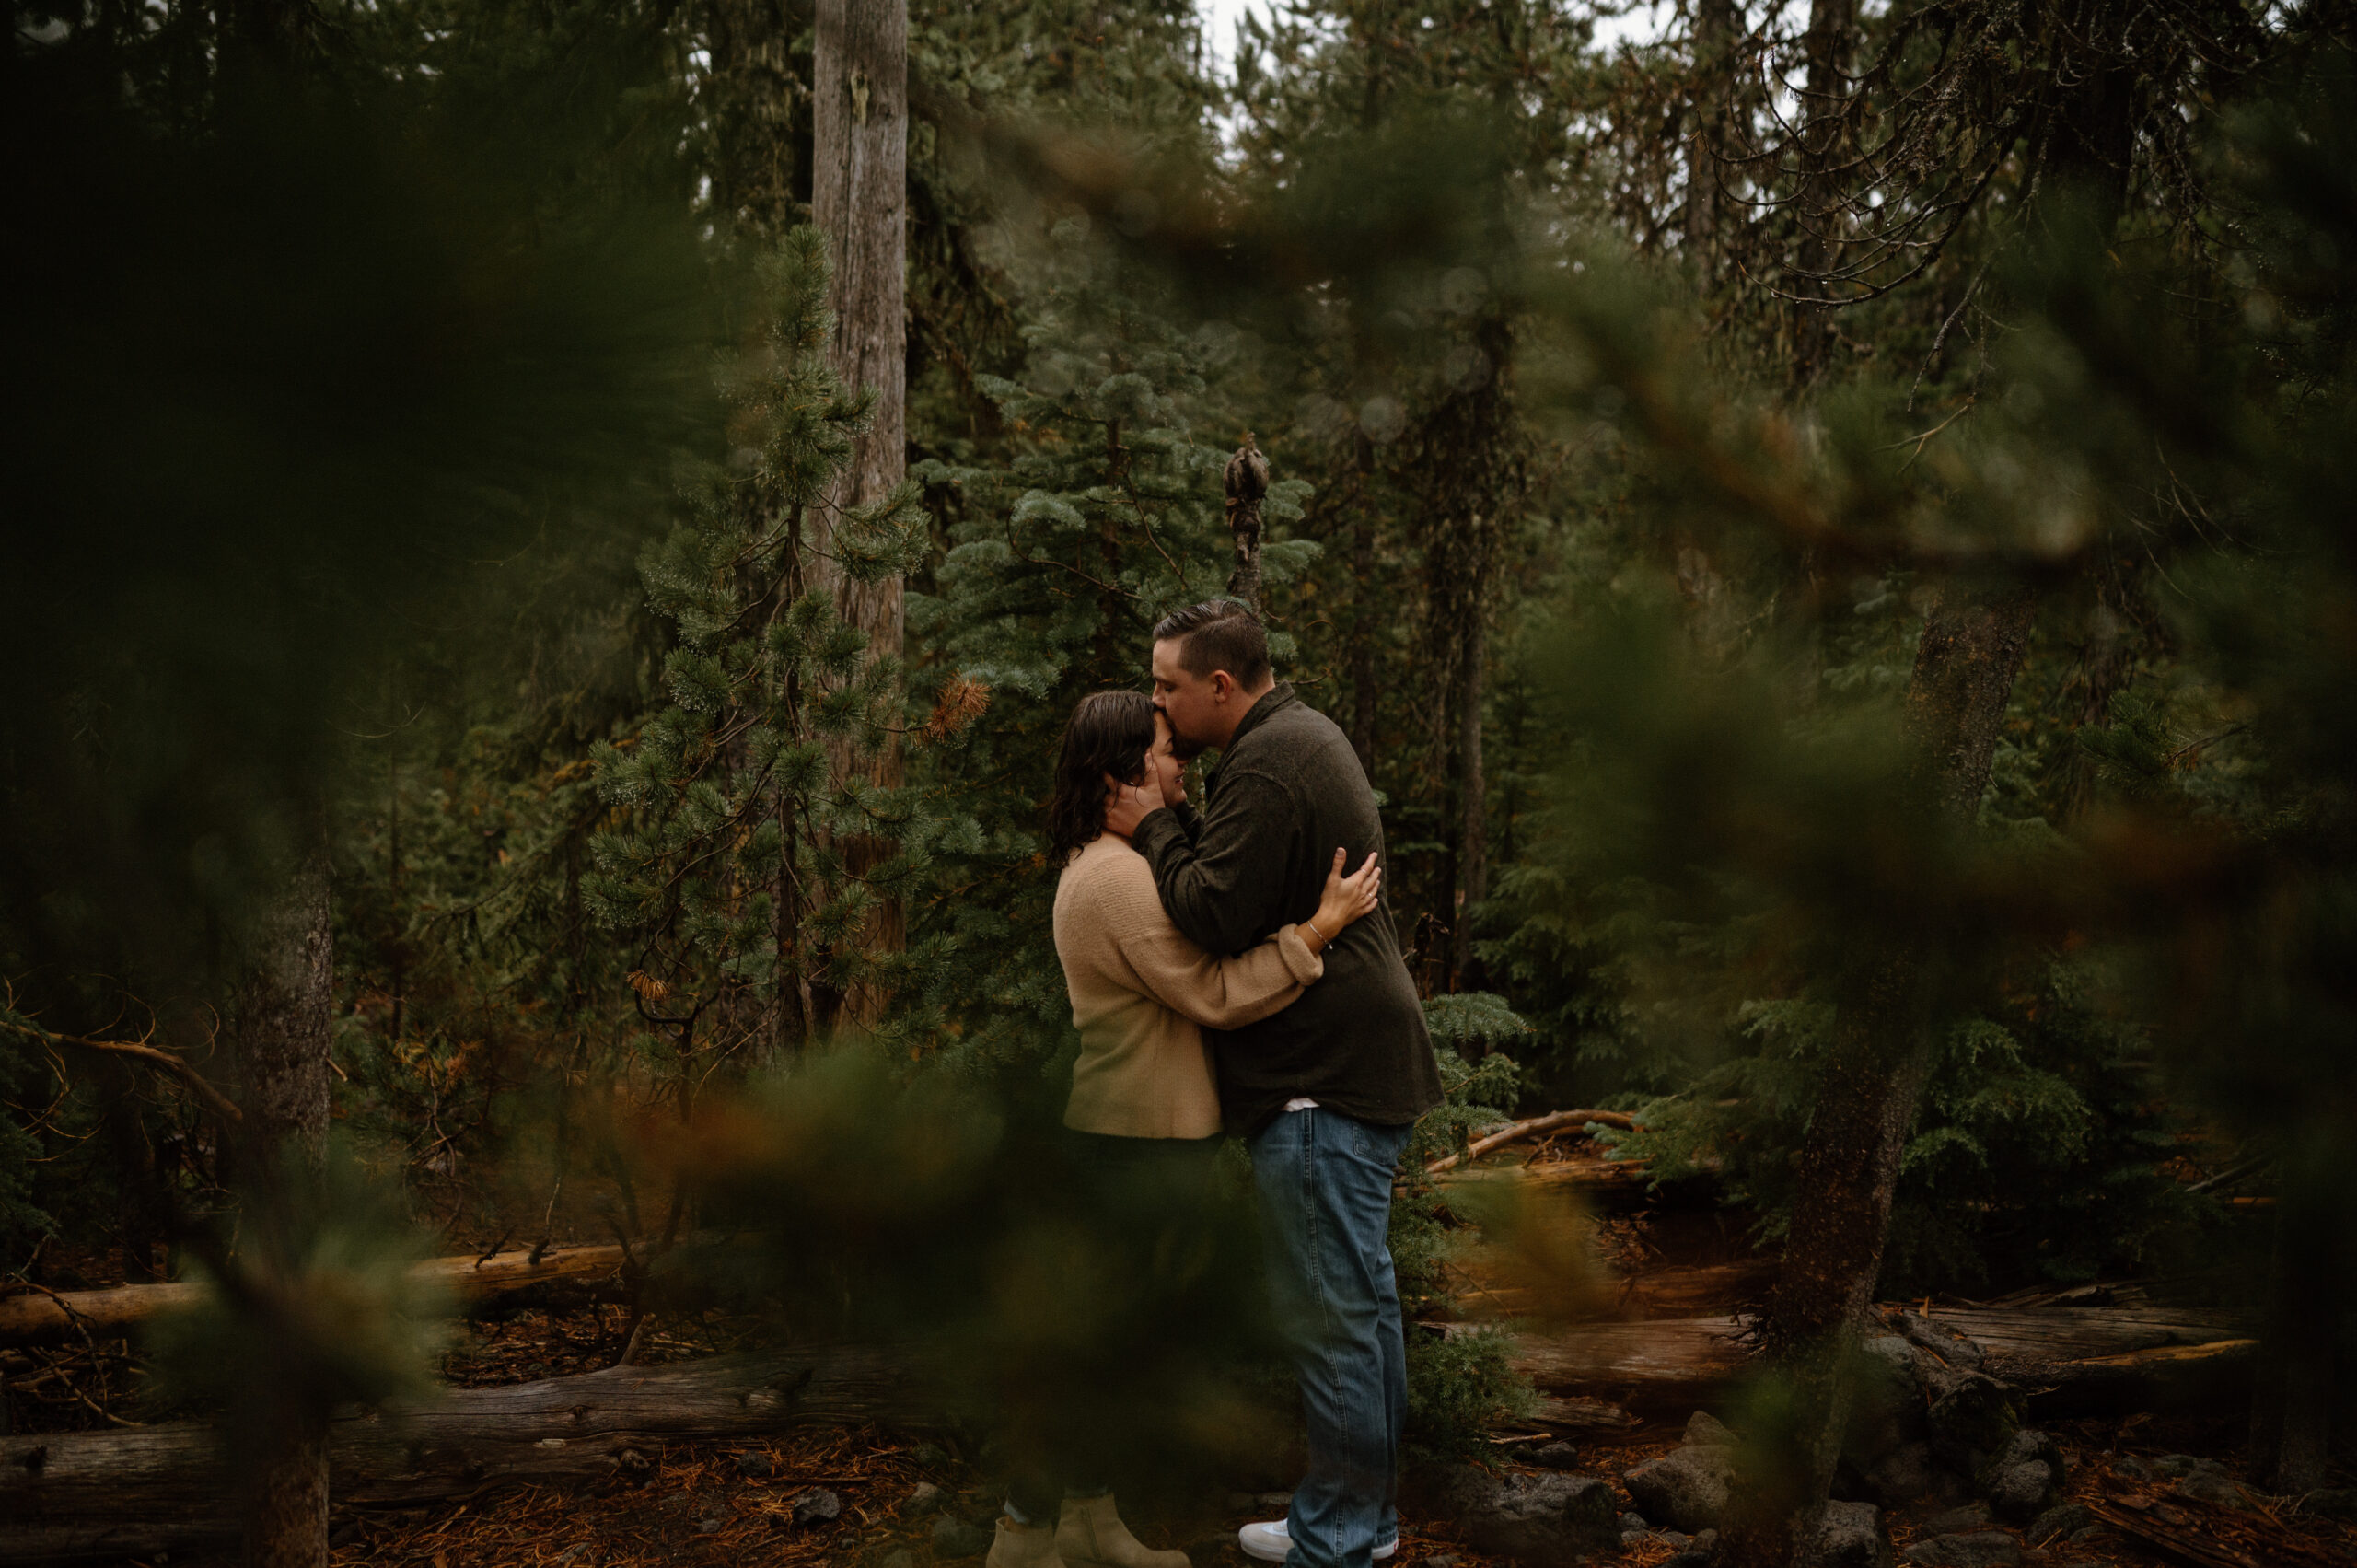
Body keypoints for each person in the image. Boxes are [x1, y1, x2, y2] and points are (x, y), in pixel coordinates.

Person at [988, 689, 1385, 1568]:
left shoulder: (1120, 863)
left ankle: (1088, 1519)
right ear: (1118, 770)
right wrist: (1317, 928)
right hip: (1130, 1141)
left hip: (1154, 1134)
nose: (1180, 765)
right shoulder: (1115, 878)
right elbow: (1210, 992)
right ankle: (1020, 1535)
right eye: (1166, 750)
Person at [1104, 602, 1442, 1568]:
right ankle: (1359, 1521)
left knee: (1332, 1315)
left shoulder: (1268, 759)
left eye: (1168, 684)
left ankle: (1336, 1537)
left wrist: (1157, 822)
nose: (1157, 703)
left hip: (1317, 1080)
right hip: (1353, 1065)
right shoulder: (1295, 737)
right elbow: (1249, 880)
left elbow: (1212, 909)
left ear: (1221, 686)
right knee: (1362, 1307)